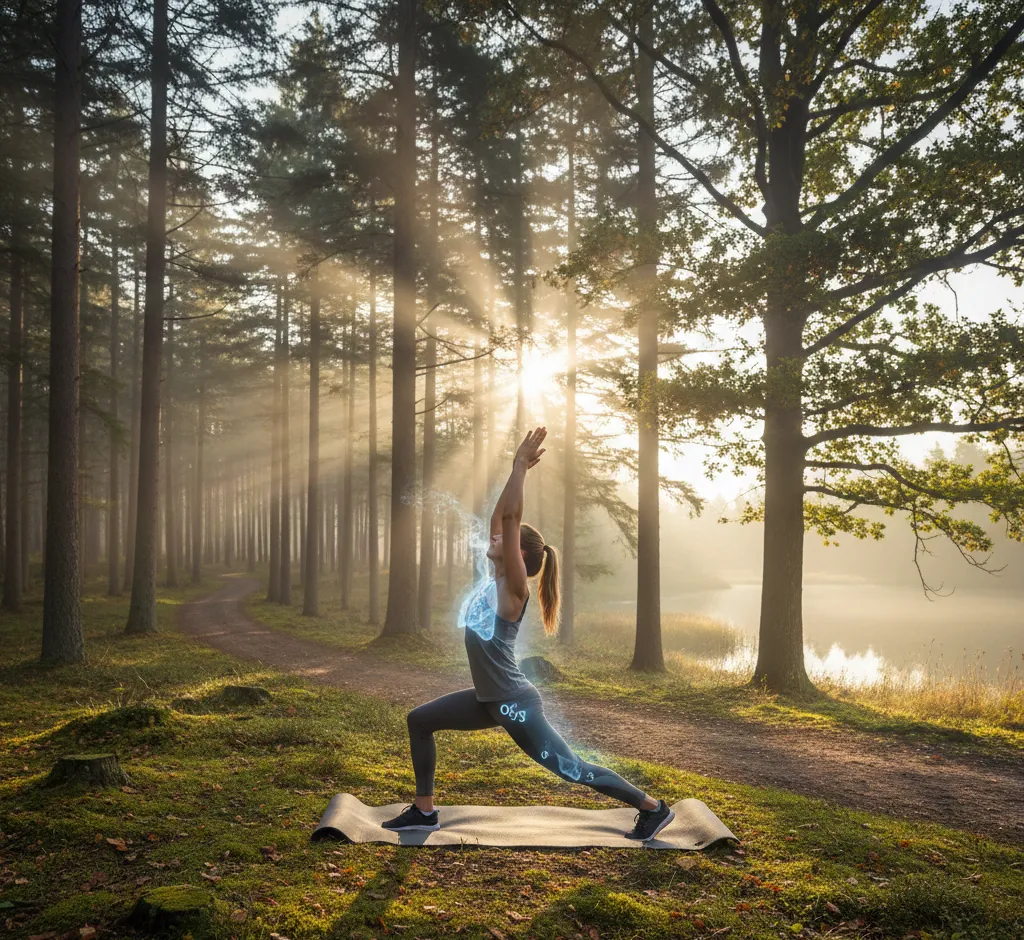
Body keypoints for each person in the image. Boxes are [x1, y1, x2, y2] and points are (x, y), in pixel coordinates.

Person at [382, 426, 676, 841]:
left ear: (518, 554)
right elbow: (499, 517)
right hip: (490, 701)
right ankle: (424, 812)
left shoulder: (513, 590)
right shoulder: (493, 578)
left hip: (514, 704)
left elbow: (510, 518)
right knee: (420, 720)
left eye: (503, 538)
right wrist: (512, 468)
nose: (494, 536)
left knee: (572, 769)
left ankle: (653, 808)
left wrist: (521, 466)